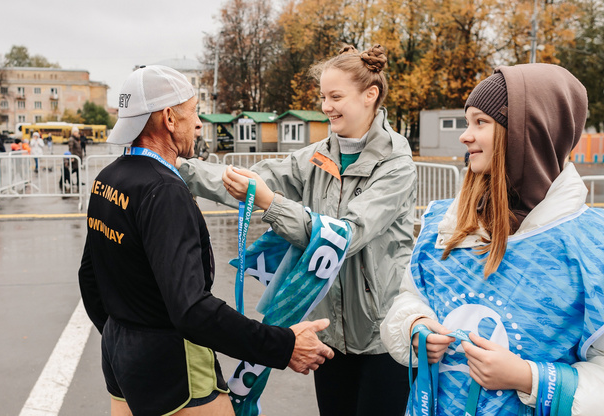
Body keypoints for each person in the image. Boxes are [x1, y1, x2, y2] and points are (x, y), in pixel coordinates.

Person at [78, 65, 334, 416]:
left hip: (120, 356)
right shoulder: (164, 191)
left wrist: (125, 336)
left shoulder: (109, 176)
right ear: (169, 118)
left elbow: (89, 277)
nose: (199, 124)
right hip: (174, 366)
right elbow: (191, 309)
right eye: (193, 111)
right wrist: (283, 345)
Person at [177, 45, 417, 416]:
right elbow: (247, 179)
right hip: (330, 335)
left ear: (370, 96)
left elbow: (346, 235)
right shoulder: (316, 155)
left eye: (336, 96)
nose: (326, 106)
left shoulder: (396, 164)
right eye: (323, 96)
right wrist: (172, 165)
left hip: (382, 339)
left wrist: (272, 204)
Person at [380, 64, 604, 415]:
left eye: (480, 122)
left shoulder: (591, 245)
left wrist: (528, 378)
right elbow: (410, 296)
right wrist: (414, 325)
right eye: (467, 122)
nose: (465, 136)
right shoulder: (447, 221)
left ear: (527, 133)